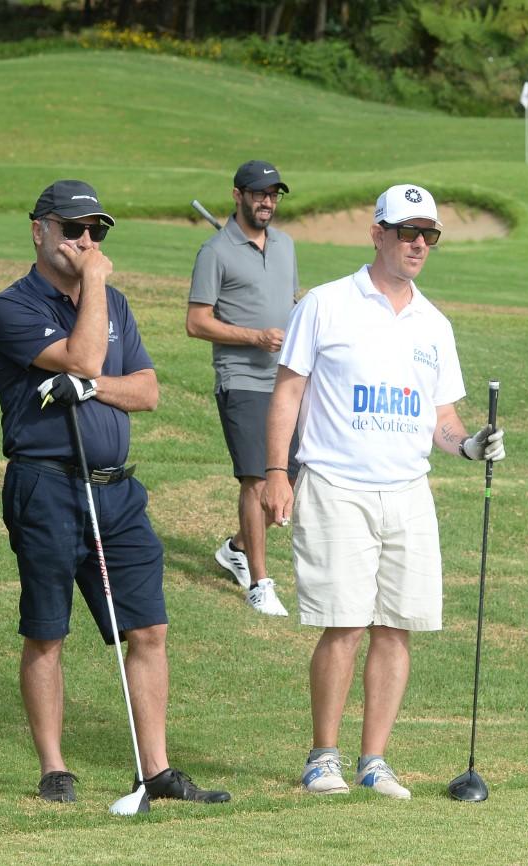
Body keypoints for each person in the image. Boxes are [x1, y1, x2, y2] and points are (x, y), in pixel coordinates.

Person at [0, 179, 230, 806]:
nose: (87, 242)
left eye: (97, 232)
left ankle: (156, 769)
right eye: (73, 230)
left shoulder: (116, 303)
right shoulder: (12, 307)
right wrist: (92, 289)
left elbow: (145, 390)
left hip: (117, 494)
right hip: (45, 487)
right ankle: (55, 769)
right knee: (47, 632)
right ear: (38, 230)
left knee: (148, 629)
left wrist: (90, 388)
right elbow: (89, 357)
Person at [261, 184, 507, 799]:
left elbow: (441, 418)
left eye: (429, 234)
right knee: (343, 624)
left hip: (407, 490)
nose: (419, 243)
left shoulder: (435, 324)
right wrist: (274, 472)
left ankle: (375, 761)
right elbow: (288, 392)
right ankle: (324, 757)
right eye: (407, 231)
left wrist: (470, 444)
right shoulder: (325, 304)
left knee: (396, 626)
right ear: (378, 233)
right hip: (336, 483)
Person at [187, 160, 300, 617]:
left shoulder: (286, 245)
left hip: (285, 380)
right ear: (238, 195)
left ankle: (236, 546)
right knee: (258, 479)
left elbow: (289, 301)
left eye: (274, 194)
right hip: (242, 379)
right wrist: (254, 337)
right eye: (258, 193)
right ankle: (259, 581)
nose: (267, 201)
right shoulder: (215, 252)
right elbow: (196, 323)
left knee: (289, 482)